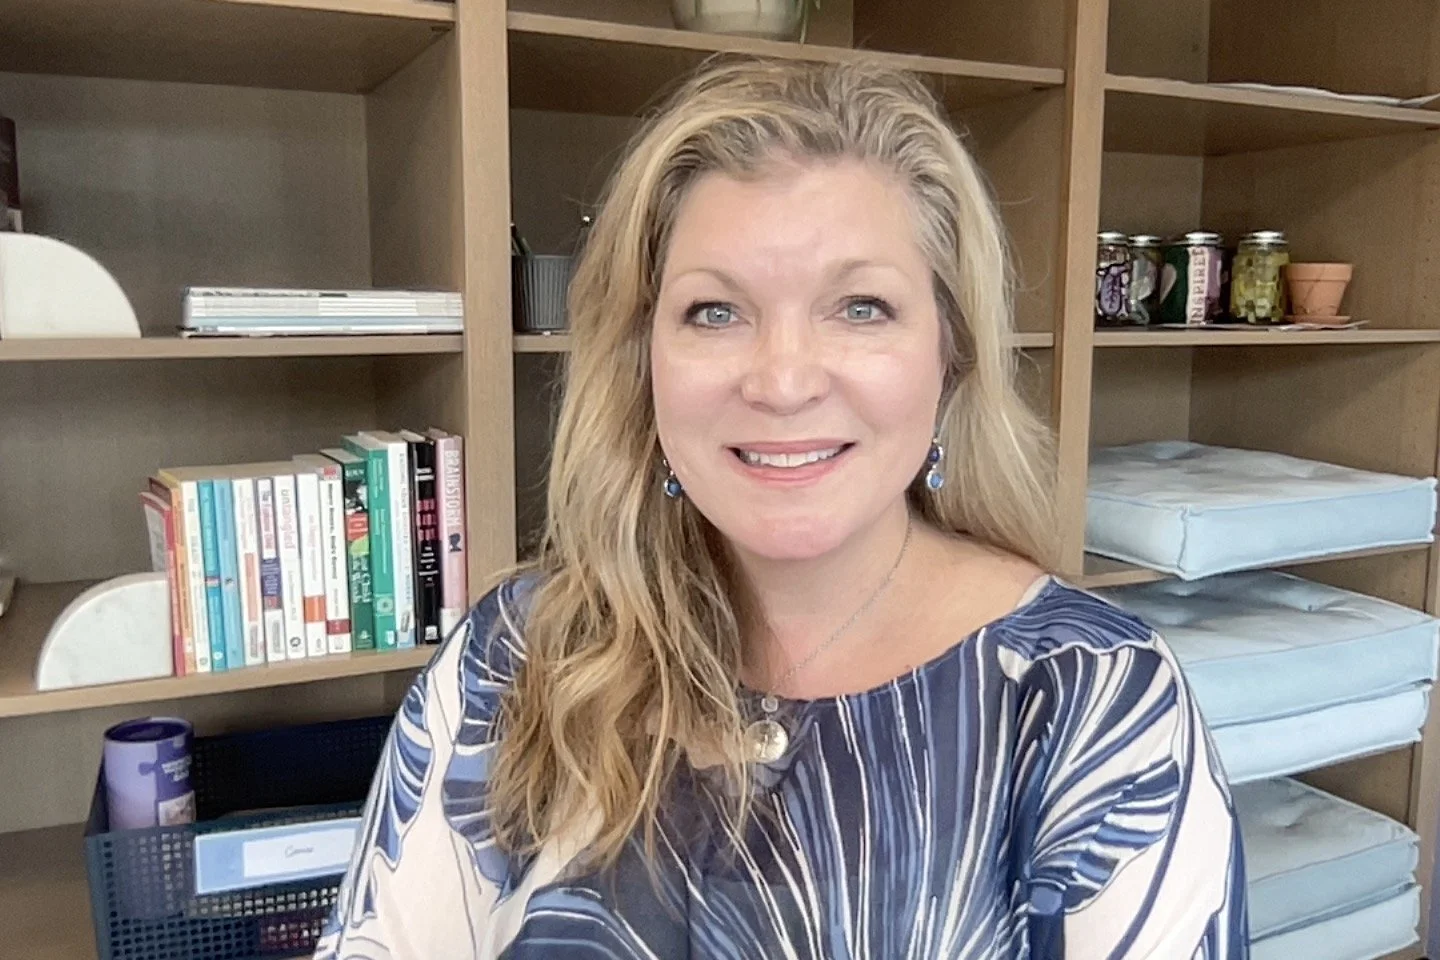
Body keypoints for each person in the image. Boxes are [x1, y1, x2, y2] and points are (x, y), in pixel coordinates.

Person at [315, 56, 1247, 959]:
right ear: (642, 361)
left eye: (861, 307)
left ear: (951, 354)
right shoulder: (513, 656)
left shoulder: (1091, 697)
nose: (783, 381)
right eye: (715, 312)